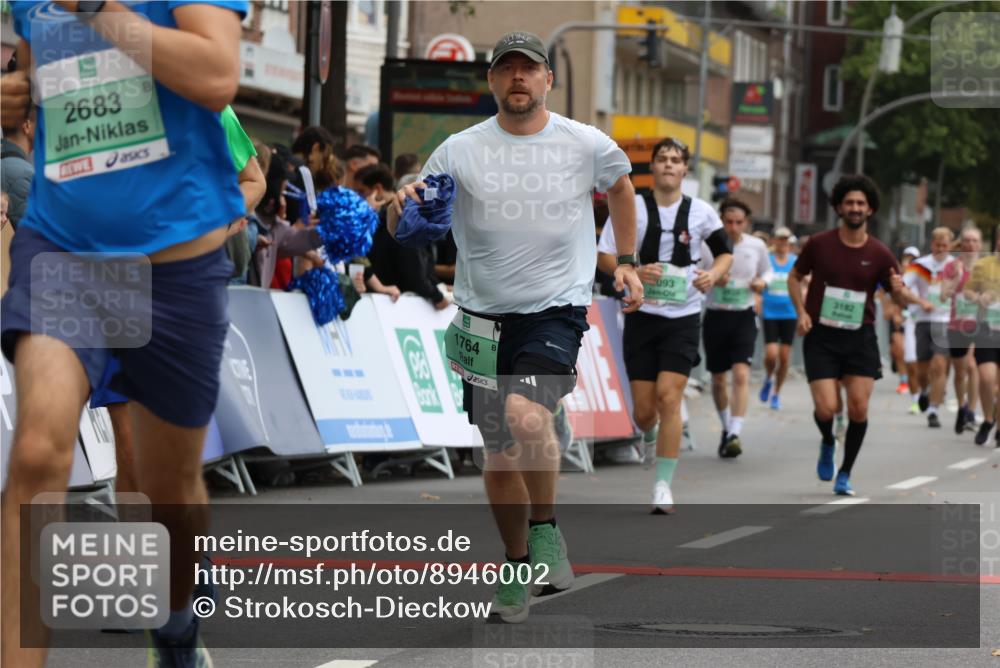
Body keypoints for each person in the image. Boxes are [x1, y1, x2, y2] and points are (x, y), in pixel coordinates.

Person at [0, 2, 247, 666]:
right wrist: (17, 89)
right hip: (65, 254)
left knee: (170, 496)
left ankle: (174, 625)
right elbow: (40, 77)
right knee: (36, 454)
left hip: (175, 268)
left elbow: (218, 74)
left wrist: (99, 10)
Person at [388, 30, 642, 624]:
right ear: (493, 81)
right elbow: (417, 215)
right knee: (497, 456)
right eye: (507, 70)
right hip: (481, 316)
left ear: (548, 79)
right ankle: (515, 561)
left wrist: (625, 262)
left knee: (528, 417)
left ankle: (546, 527)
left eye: (530, 69)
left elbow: (623, 189)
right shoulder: (458, 149)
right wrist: (403, 204)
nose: (518, 79)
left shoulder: (585, 143)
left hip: (555, 309)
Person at [597, 138, 732, 502]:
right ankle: (648, 433)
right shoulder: (632, 207)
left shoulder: (702, 211)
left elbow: (724, 253)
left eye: (676, 160)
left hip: (684, 315)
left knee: (669, 398)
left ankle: (662, 485)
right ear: (652, 167)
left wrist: (714, 274)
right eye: (662, 159)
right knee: (644, 412)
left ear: (685, 169)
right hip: (642, 315)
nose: (669, 165)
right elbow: (604, 256)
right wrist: (635, 269)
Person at [787, 175, 919, 496]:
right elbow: (795, 277)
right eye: (849, 203)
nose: (855, 208)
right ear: (839, 207)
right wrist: (802, 312)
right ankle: (828, 440)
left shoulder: (880, 253)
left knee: (858, 408)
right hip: (821, 336)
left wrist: (900, 292)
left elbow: (898, 298)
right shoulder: (819, 244)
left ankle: (845, 473)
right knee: (827, 408)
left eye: (861, 203)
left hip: (860, 338)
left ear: (870, 209)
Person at [702, 199, 769, 457]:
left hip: (744, 315)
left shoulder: (756, 246)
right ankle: (726, 426)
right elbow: (696, 272)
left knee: (741, 374)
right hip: (716, 315)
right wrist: (711, 278)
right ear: (721, 222)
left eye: (738, 222)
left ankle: (735, 433)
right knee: (719, 379)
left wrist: (761, 283)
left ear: (746, 223)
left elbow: (768, 272)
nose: (733, 227)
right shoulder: (709, 246)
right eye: (728, 222)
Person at [903, 228, 956, 428]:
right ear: (932, 244)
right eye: (937, 245)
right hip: (923, 321)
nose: (941, 249)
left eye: (945, 245)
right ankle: (924, 392)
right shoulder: (919, 266)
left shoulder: (956, 266)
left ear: (950, 246)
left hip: (944, 321)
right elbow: (903, 288)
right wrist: (920, 301)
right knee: (923, 370)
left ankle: (933, 410)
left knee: (940, 365)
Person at [941, 225, 983, 434]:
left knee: (973, 366)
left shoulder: (986, 267)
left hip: (980, 325)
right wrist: (957, 279)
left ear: (980, 244)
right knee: (960, 372)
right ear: (961, 244)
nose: (971, 244)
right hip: (956, 326)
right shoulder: (951, 266)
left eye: (975, 241)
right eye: (967, 240)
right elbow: (943, 295)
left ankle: (972, 413)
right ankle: (961, 407)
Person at [963, 231, 1000, 447]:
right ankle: (987, 418)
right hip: (987, 329)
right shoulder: (984, 265)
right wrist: (979, 298)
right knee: (986, 378)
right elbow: (968, 292)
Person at [759, 226, 799, 409]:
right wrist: (757, 297)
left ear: (789, 243)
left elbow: (805, 281)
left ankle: (776, 393)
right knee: (772, 354)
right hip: (770, 312)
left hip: (789, 313)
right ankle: (768, 377)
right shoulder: (767, 261)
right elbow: (758, 280)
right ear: (774, 241)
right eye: (779, 239)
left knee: (784, 357)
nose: (782, 243)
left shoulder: (795, 262)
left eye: (785, 240)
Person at [899, 246, 923, 412]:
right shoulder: (900, 279)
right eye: (907, 258)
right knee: (911, 363)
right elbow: (896, 296)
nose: (910, 261)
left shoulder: (926, 277)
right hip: (911, 323)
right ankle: (915, 401)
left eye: (913, 259)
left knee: (926, 366)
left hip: (927, 324)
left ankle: (926, 393)